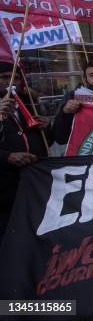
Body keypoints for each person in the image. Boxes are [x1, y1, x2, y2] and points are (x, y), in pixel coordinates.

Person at [0, 62, 48, 239]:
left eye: (15, 78)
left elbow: (45, 141)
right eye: (4, 77)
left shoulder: (28, 103)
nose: (10, 81)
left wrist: (46, 128)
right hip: (5, 192)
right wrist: (7, 157)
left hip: (33, 183)